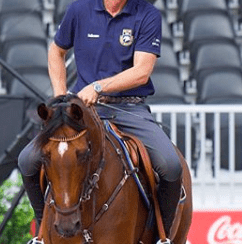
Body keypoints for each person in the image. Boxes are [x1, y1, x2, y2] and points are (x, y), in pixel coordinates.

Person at [19, 0, 181, 243]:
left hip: (129, 107)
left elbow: (142, 71)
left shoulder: (147, 14)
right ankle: (42, 231)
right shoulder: (79, 9)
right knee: (27, 160)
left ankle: (163, 237)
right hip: (80, 111)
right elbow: (56, 50)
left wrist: (98, 87)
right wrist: (61, 95)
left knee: (170, 165)